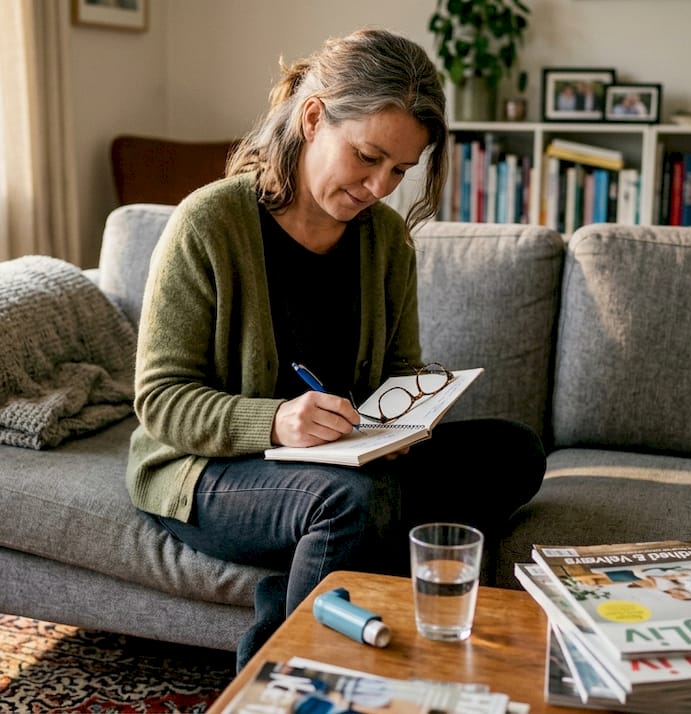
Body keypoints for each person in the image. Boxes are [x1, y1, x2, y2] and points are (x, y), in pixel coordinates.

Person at [125, 27, 546, 672]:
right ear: (315, 118)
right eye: (367, 156)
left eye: (400, 170)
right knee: (349, 502)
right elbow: (161, 401)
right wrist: (274, 420)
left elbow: (400, 371)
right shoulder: (208, 224)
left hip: (346, 459)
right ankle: (281, 678)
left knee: (512, 452)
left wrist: (406, 420)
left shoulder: (386, 241)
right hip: (206, 467)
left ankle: (303, 579)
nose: (381, 186)